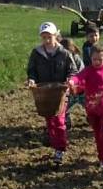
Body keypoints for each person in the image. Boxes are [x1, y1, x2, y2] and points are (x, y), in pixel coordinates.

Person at [68, 44, 103, 175]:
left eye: (100, 59)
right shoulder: (88, 71)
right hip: (92, 108)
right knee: (98, 135)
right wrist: (72, 81)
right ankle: (102, 158)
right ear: (90, 58)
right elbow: (78, 77)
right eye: (94, 59)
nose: (97, 62)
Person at [27, 22, 78, 166]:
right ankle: (56, 145)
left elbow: (72, 70)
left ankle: (60, 149)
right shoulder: (36, 53)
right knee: (50, 120)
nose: (47, 40)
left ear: (55, 36)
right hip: (44, 92)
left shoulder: (64, 53)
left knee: (60, 120)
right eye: (44, 37)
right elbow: (32, 70)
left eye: (49, 37)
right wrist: (31, 79)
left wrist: (70, 80)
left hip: (60, 92)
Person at [60, 38, 85, 130]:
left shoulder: (77, 59)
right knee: (63, 108)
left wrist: (75, 83)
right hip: (68, 91)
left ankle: (93, 119)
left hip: (80, 90)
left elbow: (82, 74)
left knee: (90, 106)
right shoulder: (61, 60)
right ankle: (66, 122)